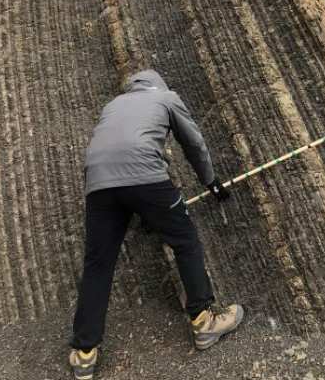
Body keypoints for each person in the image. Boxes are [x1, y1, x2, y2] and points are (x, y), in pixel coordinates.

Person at [68, 69, 244, 380]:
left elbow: (112, 152)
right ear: (158, 84)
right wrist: (211, 182)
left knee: (98, 264)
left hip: (98, 183)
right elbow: (194, 143)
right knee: (185, 240)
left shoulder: (113, 105)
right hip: (145, 177)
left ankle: (84, 354)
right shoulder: (167, 98)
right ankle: (204, 322)